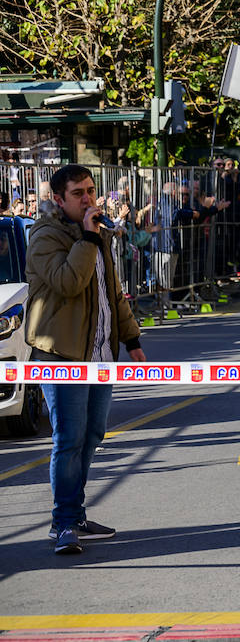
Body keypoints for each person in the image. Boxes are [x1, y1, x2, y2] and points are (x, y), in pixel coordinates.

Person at [25, 164, 145, 555]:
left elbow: (112, 292)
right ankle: (63, 523)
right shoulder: (46, 236)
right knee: (68, 438)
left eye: (91, 190)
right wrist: (88, 238)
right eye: (78, 193)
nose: (88, 199)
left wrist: (131, 338)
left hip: (99, 354)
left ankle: (75, 514)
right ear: (58, 199)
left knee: (92, 435)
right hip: (62, 354)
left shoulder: (96, 238)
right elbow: (67, 283)